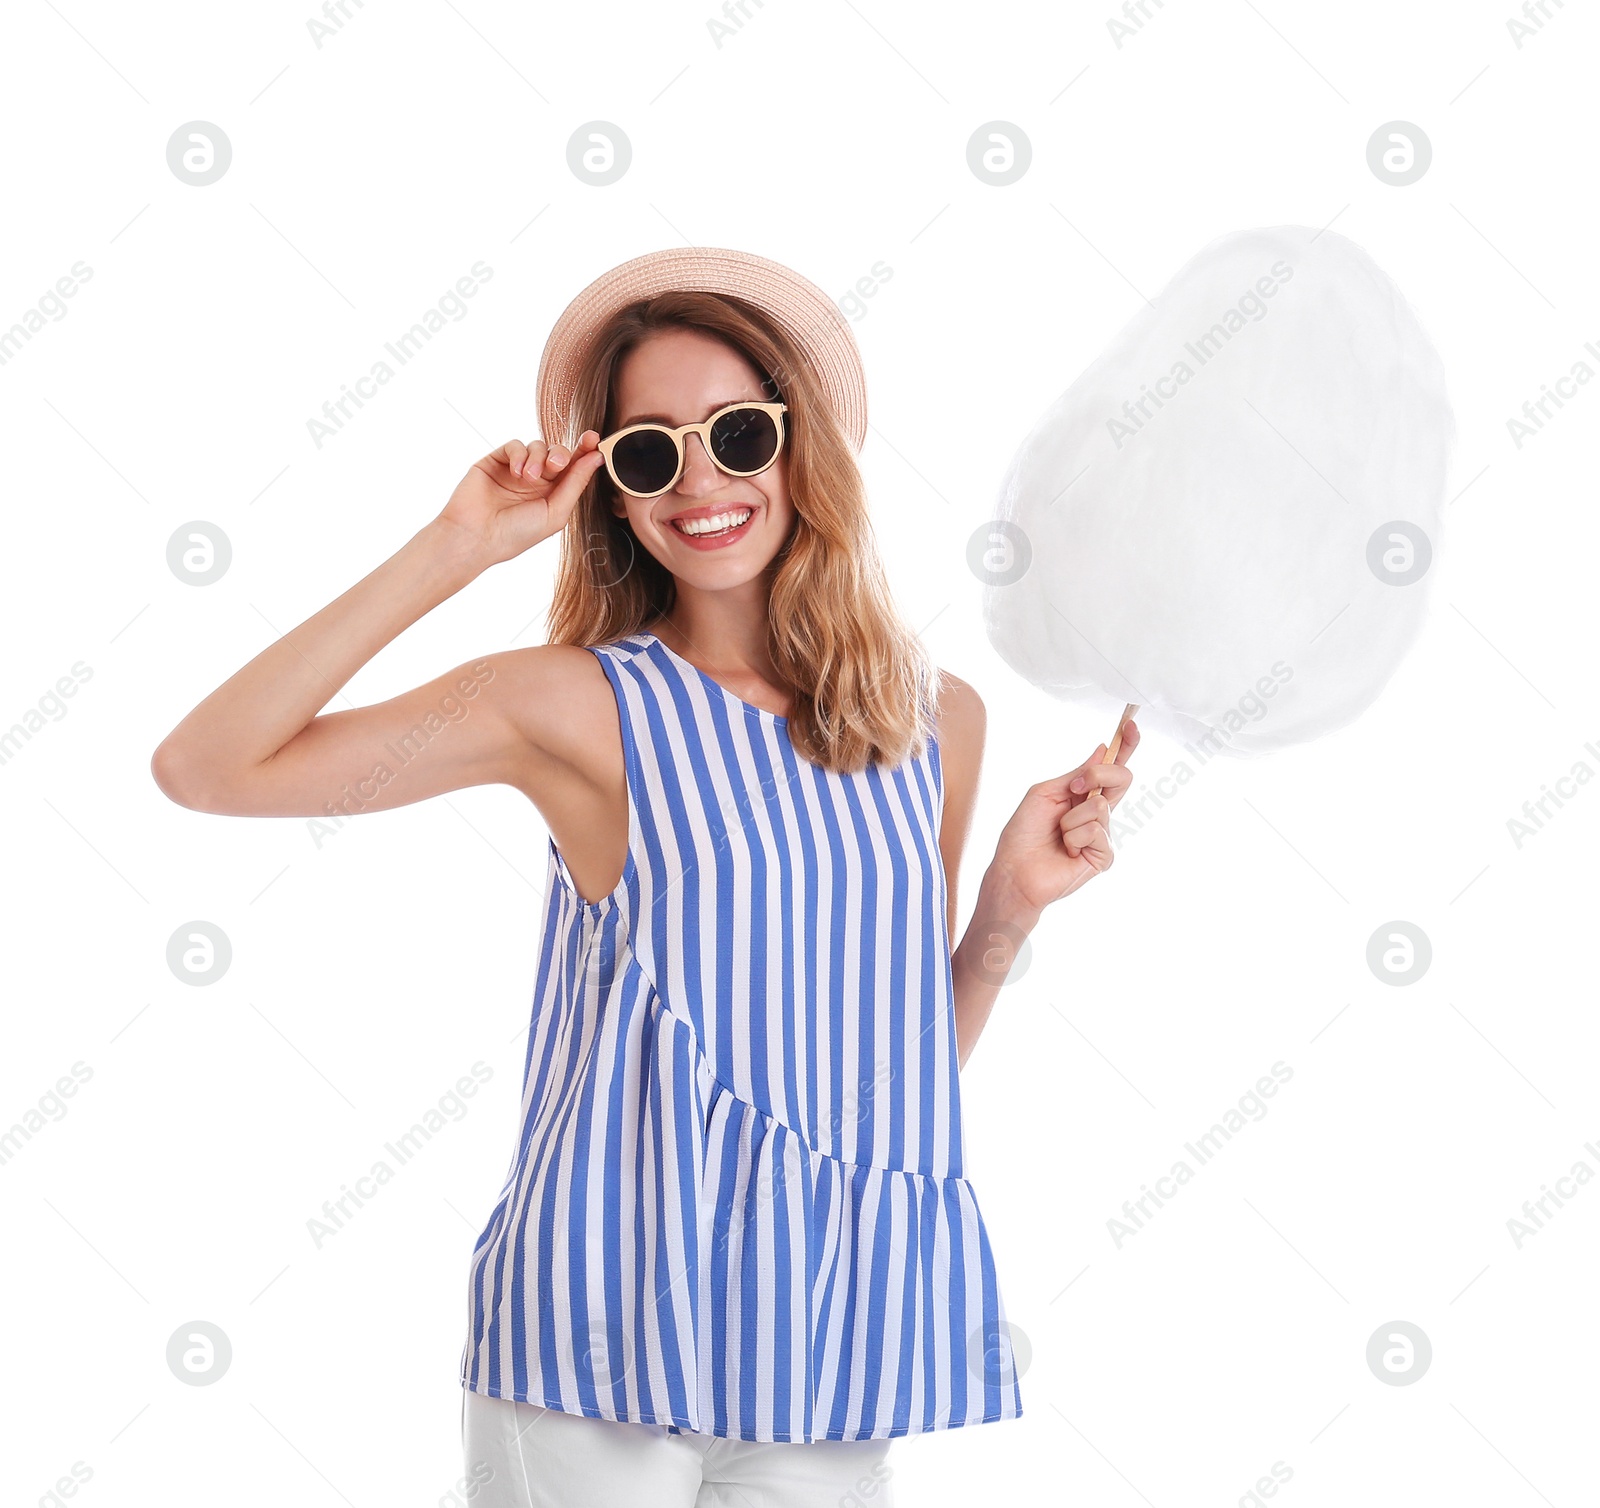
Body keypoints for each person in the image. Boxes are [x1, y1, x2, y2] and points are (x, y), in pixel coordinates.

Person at [151, 247, 1138, 1508]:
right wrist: (458, 545)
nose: (701, 482)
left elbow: (886, 1068)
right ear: (612, 488)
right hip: (590, 1346)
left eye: (737, 432)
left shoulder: (932, 718)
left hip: (826, 1341)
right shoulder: (572, 703)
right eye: (649, 452)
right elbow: (207, 764)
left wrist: (1005, 907)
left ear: (803, 448)